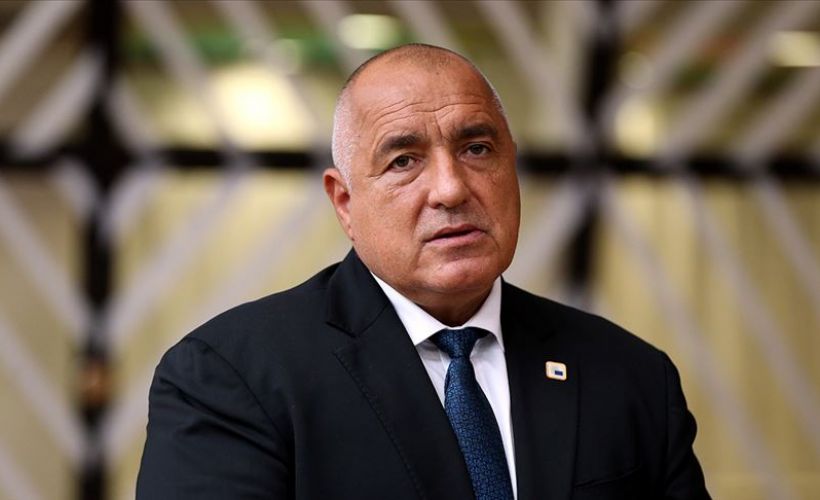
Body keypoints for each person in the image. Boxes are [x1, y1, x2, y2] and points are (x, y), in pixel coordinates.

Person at [136, 44, 710, 500]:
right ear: (345, 203)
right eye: (404, 161)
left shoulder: (630, 375)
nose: (451, 189)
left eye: (477, 149)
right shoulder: (233, 377)